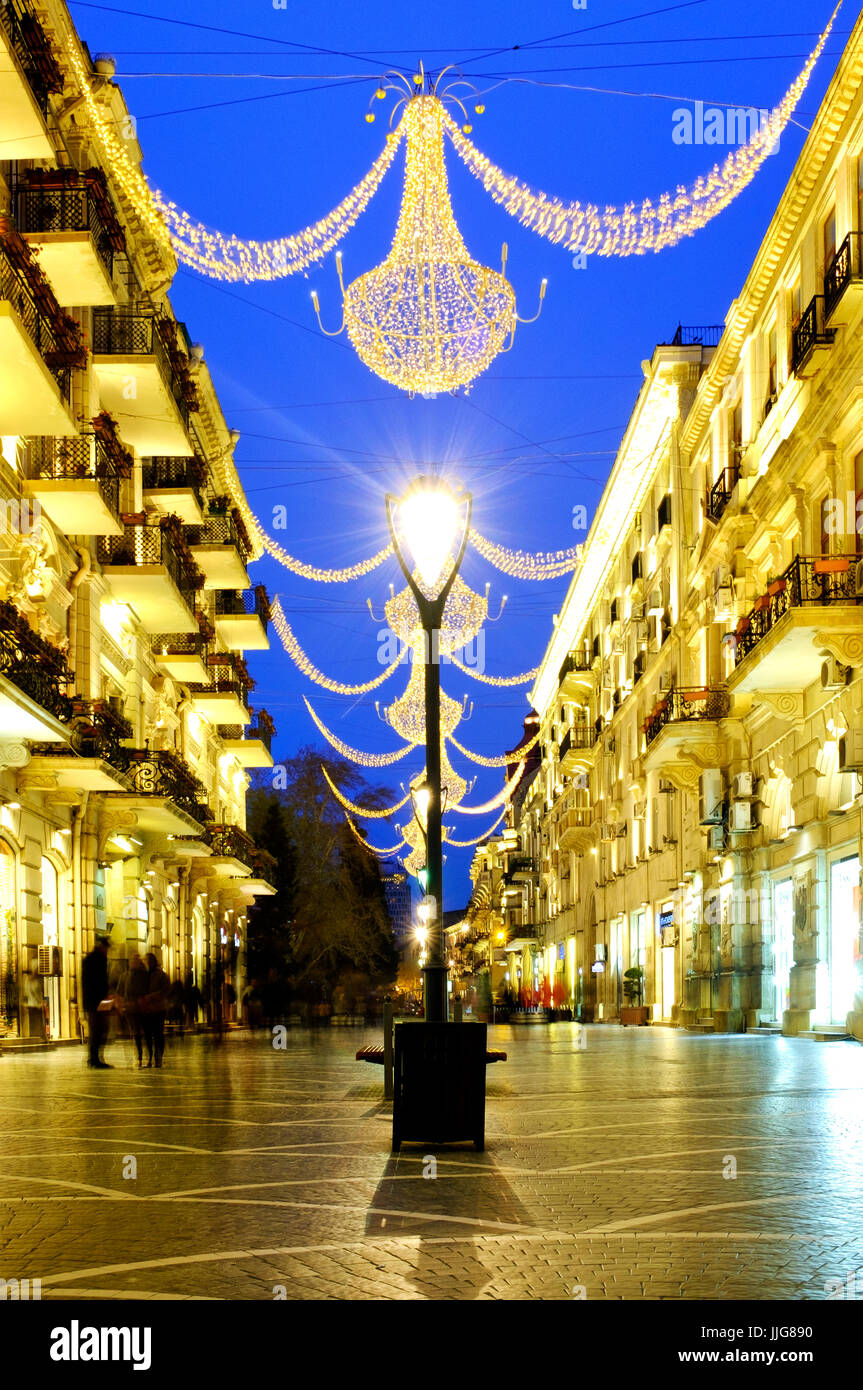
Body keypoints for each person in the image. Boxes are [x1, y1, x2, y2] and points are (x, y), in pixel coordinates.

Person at [81, 935, 112, 1068]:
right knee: (97, 1031)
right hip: (95, 1002)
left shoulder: (95, 959)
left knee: (101, 1030)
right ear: (101, 947)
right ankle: (94, 1059)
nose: (107, 951)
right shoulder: (95, 960)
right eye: (106, 948)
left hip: (97, 1001)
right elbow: (95, 982)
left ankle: (96, 1058)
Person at [141, 951, 169, 1067]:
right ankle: (149, 1058)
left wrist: (152, 997)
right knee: (147, 1035)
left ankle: (158, 1058)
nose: (146, 963)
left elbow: (166, 990)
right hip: (146, 1010)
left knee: (158, 1035)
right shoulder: (142, 975)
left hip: (158, 1010)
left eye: (147, 961)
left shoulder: (161, 975)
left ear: (152, 962)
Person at [123, 953, 148, 1067]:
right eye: (131, 961)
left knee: (143, 1033)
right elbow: (120, 990)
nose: (133, 963)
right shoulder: (125, 976)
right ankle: (139, 1056)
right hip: (130, 1008)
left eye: (135, 961)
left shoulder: (144, 975)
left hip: (142, 1008)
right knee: (135, 1033)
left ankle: (146, 1055)